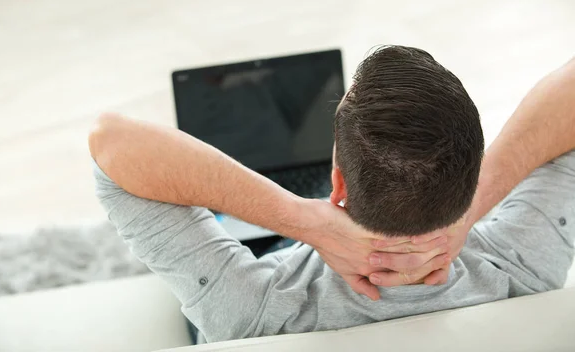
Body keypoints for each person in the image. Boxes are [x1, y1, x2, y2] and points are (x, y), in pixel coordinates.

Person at [89, 46, 575, 343]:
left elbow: (110, 142)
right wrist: (471, 209)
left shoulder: (255, 308)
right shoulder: (521, 265)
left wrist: (306, 220)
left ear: (336, 182)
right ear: (469, 178)